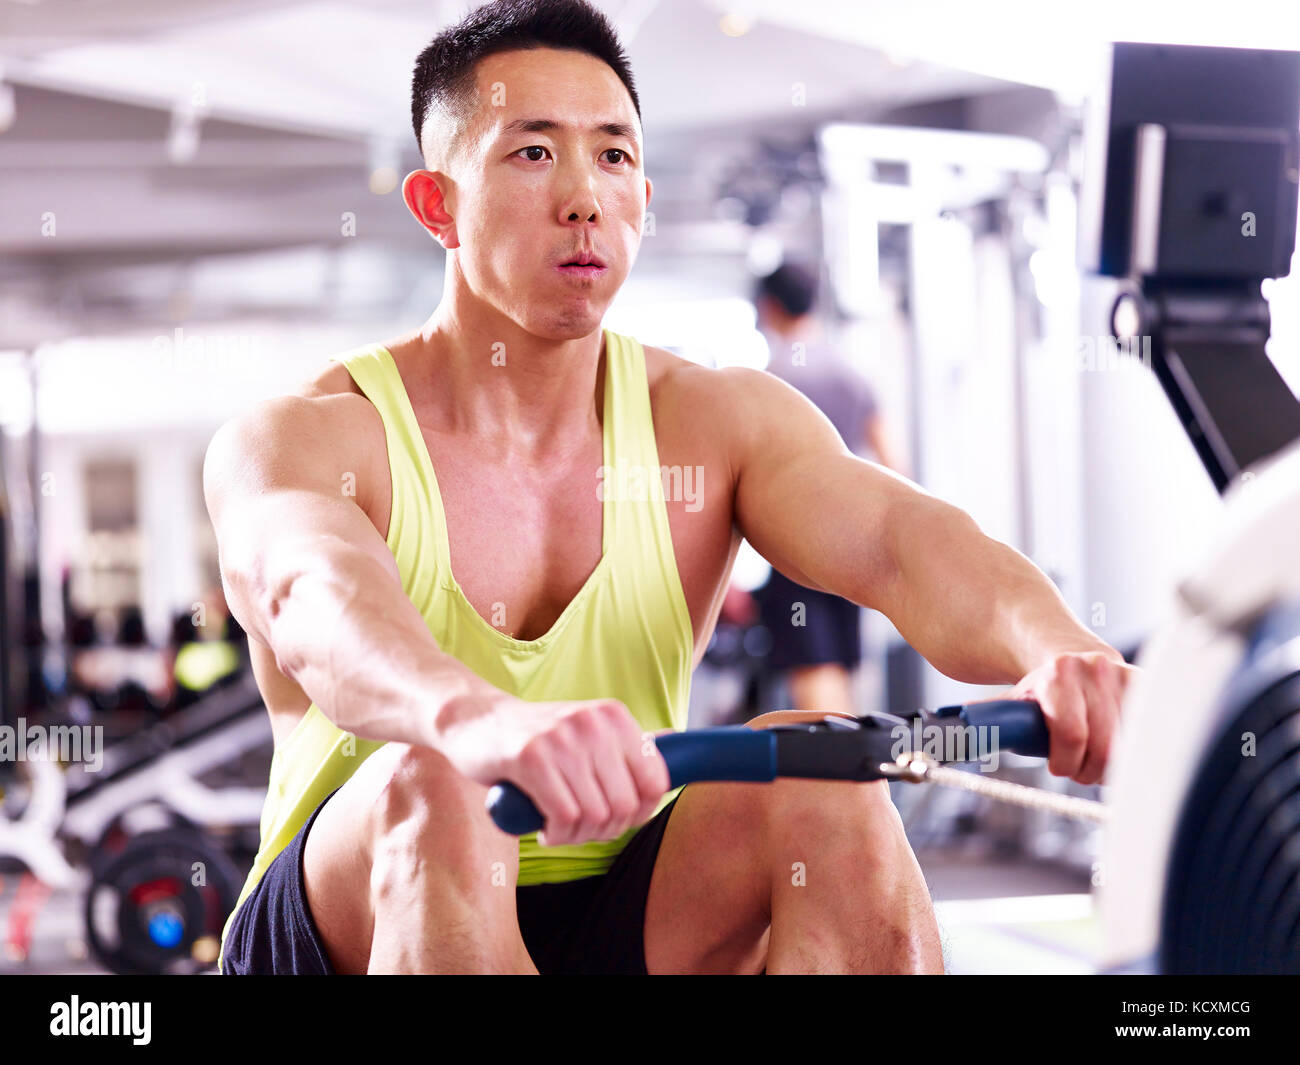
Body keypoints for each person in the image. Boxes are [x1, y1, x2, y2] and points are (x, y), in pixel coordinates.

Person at [205, 0, 1133, 976]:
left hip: (628, 896)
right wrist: (478, 721)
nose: (583, 198)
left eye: (612, 158)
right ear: (437, 204)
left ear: (643, 196)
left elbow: (903, 541)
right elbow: (311, 598)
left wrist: (1061, 649)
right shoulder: (307, 433)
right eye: (532, 154)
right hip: (353, 910)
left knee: (821, 762)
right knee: (439, 789)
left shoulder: (715, 419)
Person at [751, 261, 906, 718]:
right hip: (852, 554)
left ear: (771, 308)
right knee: (838, 676)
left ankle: (851, 783)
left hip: (794, 551)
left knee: (815, 680)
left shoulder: (769, 380)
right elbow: (896, 467)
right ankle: (862, 781)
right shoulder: (851, 374)